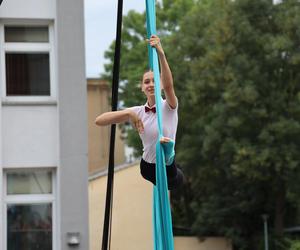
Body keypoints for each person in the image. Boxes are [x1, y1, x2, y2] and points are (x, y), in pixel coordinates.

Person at [95, 35, 183, 190]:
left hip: (167, 169)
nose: (150, 85)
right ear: (142, 87)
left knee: (177, 178)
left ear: (161, 85)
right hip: (148, 167)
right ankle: (168, 156)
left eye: (154, 81)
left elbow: (169, 86)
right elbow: (99, 120)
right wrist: (129, 114)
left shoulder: (169, 106)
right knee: (170, 171)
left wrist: (161, 54)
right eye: (146, 82)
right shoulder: (138, 111)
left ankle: (168, 156)